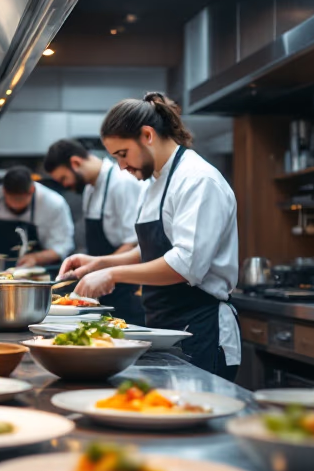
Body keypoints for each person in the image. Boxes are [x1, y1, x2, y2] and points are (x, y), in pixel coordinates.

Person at [62, 93, 239, 379]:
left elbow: (185, 265)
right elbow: (154, 249)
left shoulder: (197, 180)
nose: (121, 166)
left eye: (122, 154)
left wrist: (113, 275)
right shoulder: (156, 182)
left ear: (147, 135)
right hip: (165, 327)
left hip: (202, 328)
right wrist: (100, 263)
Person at [45, 138, 149, 326]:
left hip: (125, 287)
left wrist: (100, 271)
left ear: (75, 163)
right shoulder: (90, 190)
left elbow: (135, 242)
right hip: (103, 286)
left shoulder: (122, 182)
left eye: (63, 178)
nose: (65, 185)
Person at [0, 166, 74, 268]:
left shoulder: (53, 204)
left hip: (37, 275)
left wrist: (36, 258)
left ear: (32, 190)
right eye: (11, 199)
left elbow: (62, 246)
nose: (15, 205)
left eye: (20, 199)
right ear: (3, 191)